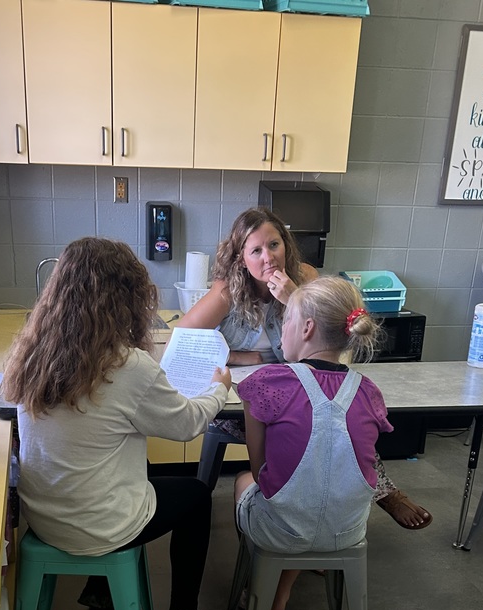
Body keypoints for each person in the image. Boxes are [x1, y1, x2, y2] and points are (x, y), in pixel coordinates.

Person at [2, 237, 234, 610]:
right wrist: (218, 390)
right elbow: (187, 424)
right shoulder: (127, 365)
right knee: (198, 497)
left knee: (131, 458)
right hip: (97, 526)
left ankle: (101, 588)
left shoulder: (32, 350)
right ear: (127, 298)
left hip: (45, 517)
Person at [180, 206, 431, 530]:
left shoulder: (306, 279)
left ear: (286, 244)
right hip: (245, 404)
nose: (268, 257)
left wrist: (293, 297)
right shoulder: (229, 290)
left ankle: (359, 501)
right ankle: (331, 509)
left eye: (274, 245)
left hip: (300, 392)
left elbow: (326, 338)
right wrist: (243, 358)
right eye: (256, 250)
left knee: (337, 420)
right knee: (321, 423)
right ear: (242, 258)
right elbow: (184, 342)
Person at [234, 275, 392, 610]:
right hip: (347, 532)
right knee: (317, 490)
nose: (283, 328)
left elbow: (262, 471)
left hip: (283, 531)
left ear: (306, 328)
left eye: (285, 320)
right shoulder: (369, 391)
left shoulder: (266, 382)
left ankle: (256, 585)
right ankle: (283, 591)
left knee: (246, 481)